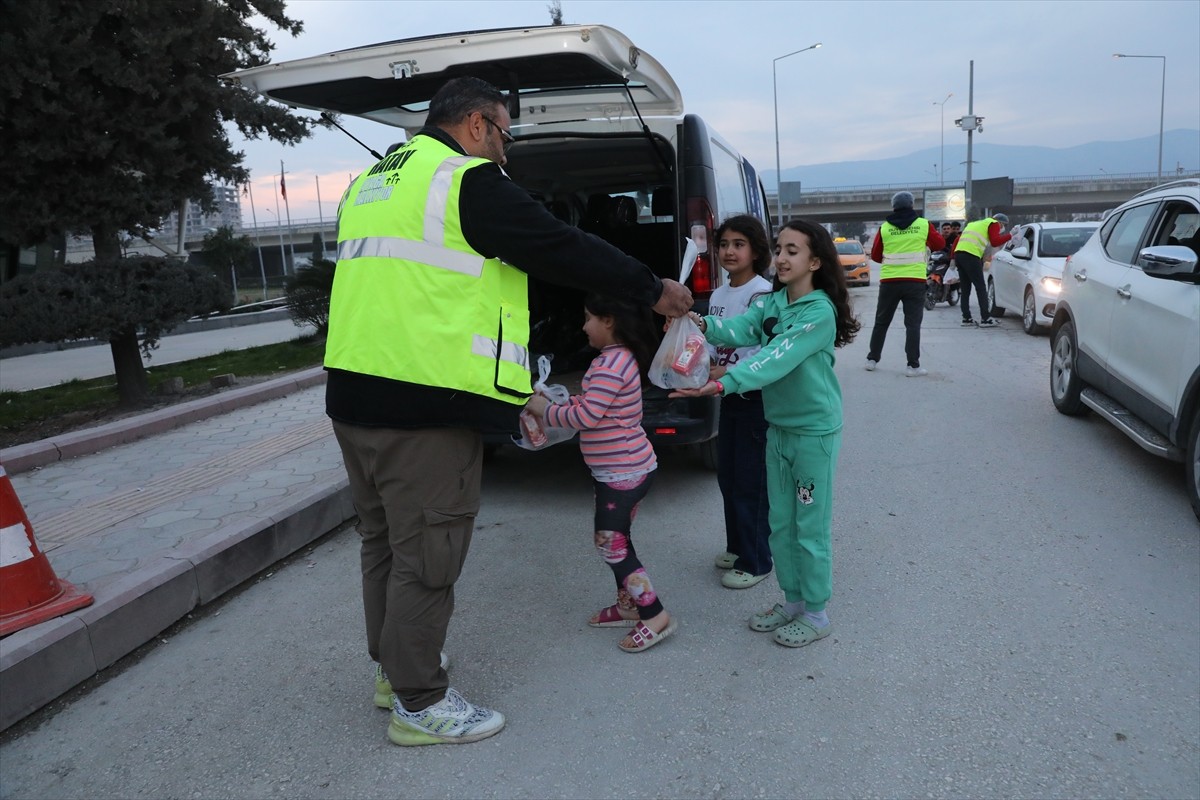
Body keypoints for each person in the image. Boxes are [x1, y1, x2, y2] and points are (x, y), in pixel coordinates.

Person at [327, 76, 693, 747]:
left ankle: (393, 669)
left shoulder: (376, 180)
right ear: (474, 125)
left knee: (384, 544)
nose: (505, 150)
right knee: (427, 554)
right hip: (422, 406)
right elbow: (558, 245)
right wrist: (653, 289)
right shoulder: (463, 180)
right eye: (504, 133)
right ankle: (420, 701)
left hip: (353, 394)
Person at [671, 219, 861, 649]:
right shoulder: (772, 302)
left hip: (813, 433)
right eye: (779, 249)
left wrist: (722, 382)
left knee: (808, 527)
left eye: (793, 251)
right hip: (778, 429)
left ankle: (817, 612)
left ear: (815, 261)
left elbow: (774, 358)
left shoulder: (818, 312)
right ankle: (793, 602)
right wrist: (694, 321)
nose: (781, 257)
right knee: (780, 523)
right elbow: (737, 331)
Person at [525, 293, 677, 653]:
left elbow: (586, 417)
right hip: (618, 469)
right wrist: (566, 402)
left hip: (623, 471)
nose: (583, 326)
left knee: (610, 542)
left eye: (588, 318)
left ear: (609, 320)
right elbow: (593, 404)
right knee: (617, 539)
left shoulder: (611, 364)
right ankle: (629, 605)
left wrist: (543, 408)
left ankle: (654, 615)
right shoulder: (614, 360)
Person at [707, 215, 774, 590]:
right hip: (727, 397)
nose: (729, 251)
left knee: (752, 482)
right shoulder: (718, 294)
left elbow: (767, 352)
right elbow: (712, 343)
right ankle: (737, 546)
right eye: (724, 244)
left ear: (755, 250)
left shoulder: (762, 294)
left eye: (739, 244)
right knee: (728, 477)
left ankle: (757, 560)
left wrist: (727, 375)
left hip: (754, 398)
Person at [864, 192, 945, 376]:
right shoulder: (923, 225)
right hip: (914, 282)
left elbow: (876, 255)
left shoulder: (884, 228)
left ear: (893, 207)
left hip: (889, 281)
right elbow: (939, 243)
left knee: (881, 322)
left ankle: (872, 359)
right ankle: (913, 366)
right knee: (912, 324)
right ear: (911, 205)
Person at [953, 212, 1012, 328]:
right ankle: (986, 318)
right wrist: (1010, 236)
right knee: (980, 287)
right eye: (1003, 225)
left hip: (959, 255)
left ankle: (966, 318)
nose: (1002, 228)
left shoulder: (974, 224)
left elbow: (957, 241)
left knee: (965, 289)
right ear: (1000, 222)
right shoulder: (993, 223)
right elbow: (995, 242)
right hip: (971, 255)